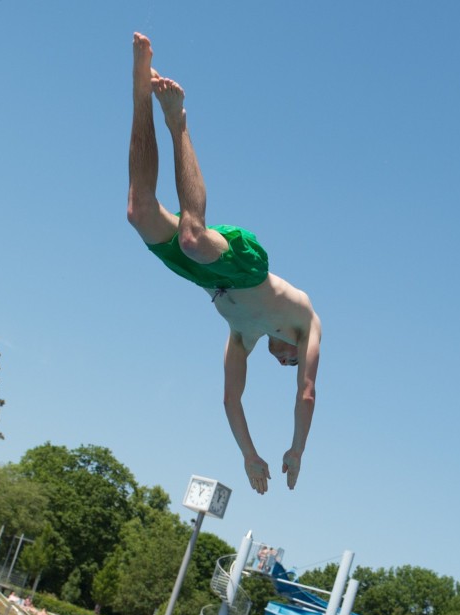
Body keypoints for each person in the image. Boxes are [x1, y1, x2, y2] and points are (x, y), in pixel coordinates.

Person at [126, 33, 321, 494]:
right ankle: (178, 124)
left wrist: (250, 456)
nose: (287, 363)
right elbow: (307, 394)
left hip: (208, 282)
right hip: (245, 266)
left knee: (139, 211)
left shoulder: (242, 337)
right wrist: (298, 448)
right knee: (192, 237)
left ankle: (140, 93)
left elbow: (231, 400)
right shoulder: (306, 323)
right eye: (292, 363)